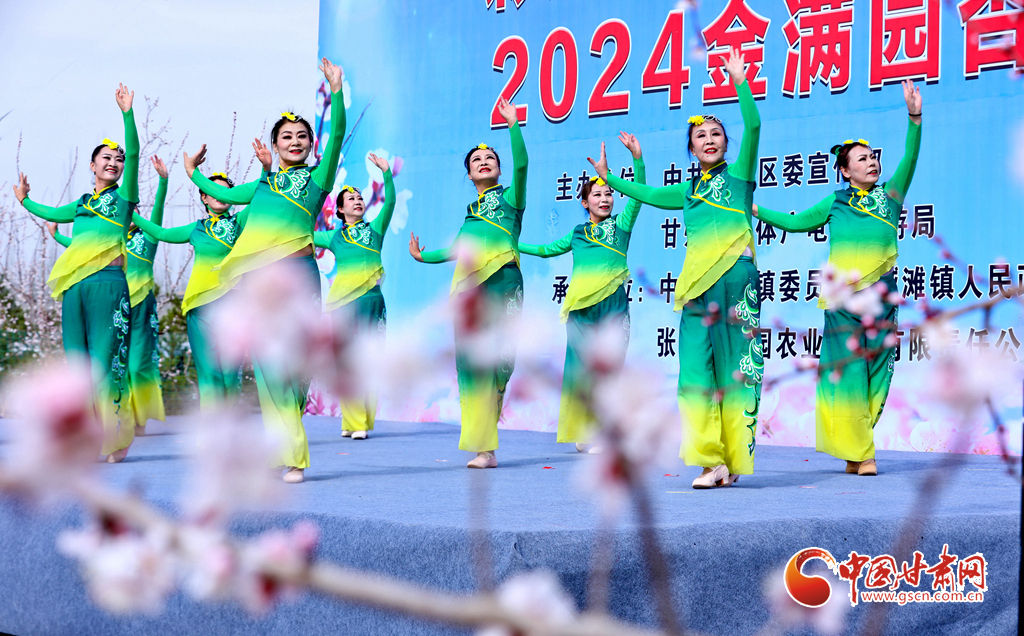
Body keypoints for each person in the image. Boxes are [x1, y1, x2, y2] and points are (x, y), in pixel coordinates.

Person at [588, 49, 761, 489]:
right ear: (691, 148)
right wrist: (609, 177)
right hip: (696, 289)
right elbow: (646, 193)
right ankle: (709, 460)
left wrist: (740, 81)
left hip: (736, 283)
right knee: (694, 374)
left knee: (736, 371)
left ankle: (732, 460)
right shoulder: (687, 191)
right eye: (700, 135)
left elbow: (755, 126)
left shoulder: (740, 178)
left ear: (726, 144)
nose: (709, 139)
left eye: (716, 134)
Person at [184, 58, 346, 483]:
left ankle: (286, 441)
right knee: (269, 367)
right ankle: (290, 455)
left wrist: (336, 91)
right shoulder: (261, 186)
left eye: (302, 136)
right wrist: (192, 171)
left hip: (301, 277)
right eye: (286, 136)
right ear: (274, 145)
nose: (295, 141)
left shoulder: (317, 179)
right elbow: (219, 192)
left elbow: (337, 136)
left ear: (310, 144)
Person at [752, 80, 923, 477]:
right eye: (862, 159)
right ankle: (864, 453)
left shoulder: (890, 196)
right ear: (845, 171)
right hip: (842, 301)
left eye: (873, 157)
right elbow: (796, 223)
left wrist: (914, 117)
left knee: (878, 371)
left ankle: (854, 444)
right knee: (848, 372)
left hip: (882, 296)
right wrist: (757, 210)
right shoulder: (836, 201)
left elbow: (910, 158)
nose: (872, 163)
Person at [14, 84, 139, 463]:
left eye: (117, 159)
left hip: (109, 286)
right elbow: (53, 213)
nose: (114, 162)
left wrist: (127, 114)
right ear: (92, 165)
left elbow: (134, 152)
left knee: (106, 364)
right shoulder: (83, 203)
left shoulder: (124, 198)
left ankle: (115, 438)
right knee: (78, 368)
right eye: (106, 158)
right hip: (75, 288)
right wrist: (25, 200)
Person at [409, 97, 527, 469]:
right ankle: (483, 449)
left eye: (490, 158)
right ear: (470, 174)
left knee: (501, 361)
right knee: (473, 364)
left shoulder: (511, 200)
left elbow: (522, 165)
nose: (484, 161)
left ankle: (492, 414)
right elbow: (455, 251)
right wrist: (422, 256)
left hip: (505, 282)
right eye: (477, 160)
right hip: (470, 291)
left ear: (499, 168)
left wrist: (513, 125)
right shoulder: (470, 216)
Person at [517, 132, 645, 452]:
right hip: (580, 311)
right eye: (597, 195)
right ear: (585, 203)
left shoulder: (621, 226)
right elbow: (547, 249)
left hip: (613, 305)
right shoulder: (578, 233)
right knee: (581, 372)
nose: (605, 199)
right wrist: (512, 244)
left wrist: (637, 159)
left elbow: (639, 195)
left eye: (609, 193)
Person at [49, 154, 171, 436]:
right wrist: (56, 236)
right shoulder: (110, 236)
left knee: (137, 364)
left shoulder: (147, 238)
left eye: (134, 209)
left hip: (140, 306)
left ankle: (138, 419)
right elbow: (81, 248)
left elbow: (158, 213)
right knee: (107, 361)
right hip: (109, 299)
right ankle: (103, 422)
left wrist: (163, 182)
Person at [130, 158, 254, 410]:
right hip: (200, 307)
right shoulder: (196, 229)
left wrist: (266, 168)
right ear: (204, 198)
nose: (219, 194)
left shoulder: (240, 222)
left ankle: (231, 424)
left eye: (225, 191)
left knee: (230, 372)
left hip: (233, 305)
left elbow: (261, 196)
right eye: (212, 190)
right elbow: (161, 233)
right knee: (208, 371)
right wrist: (129, 211)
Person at [313, 153, 395, 440]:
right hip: (344, 305)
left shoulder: (375, 230)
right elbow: (303, 234)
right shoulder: (333, 237)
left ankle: (361, 421)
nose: (358, 201)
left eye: (360, 198)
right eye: (351, 199)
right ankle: (353, 421)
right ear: (340, 210)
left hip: (373, 302)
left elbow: (390, 203)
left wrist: (386, 173)